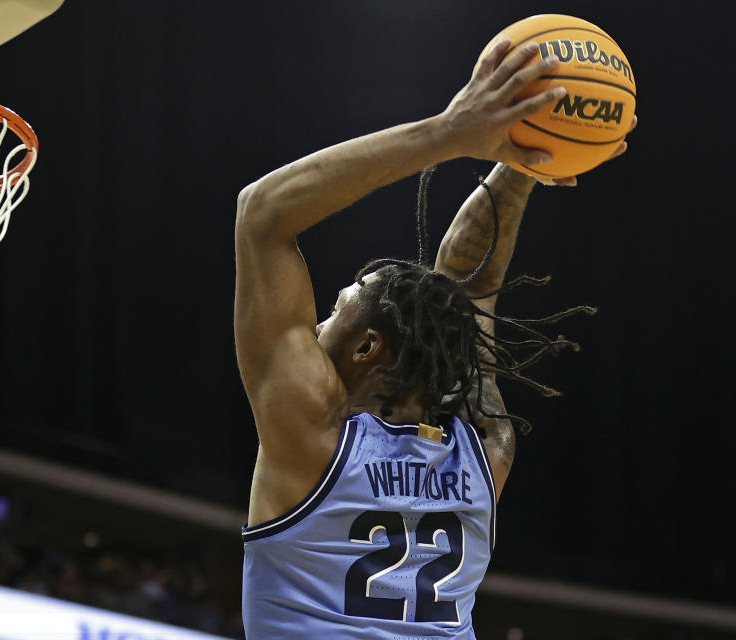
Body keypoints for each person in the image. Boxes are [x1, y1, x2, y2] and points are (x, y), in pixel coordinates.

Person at [234, 39, 634, 639]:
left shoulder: (312, 434)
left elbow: (262, 211)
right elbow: (471, 283)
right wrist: (528, 157)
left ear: (367, 348)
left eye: (334, 312)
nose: (317, 327)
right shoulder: (485, 453)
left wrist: (453, 133)